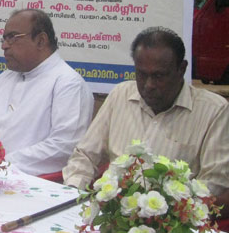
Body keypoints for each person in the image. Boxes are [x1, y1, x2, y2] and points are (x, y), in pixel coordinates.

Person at [62, 27, 229, 215]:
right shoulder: (121, 94)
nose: (149, 85)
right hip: (112, 213)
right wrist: (73, 192)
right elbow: (85, 155)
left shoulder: (214, 110)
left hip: (169, 220)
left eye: (158, 76)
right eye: (141, 75)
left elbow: (212, 185)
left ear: (181, 69)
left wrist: (157, 213)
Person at [0, 9, 93, 175]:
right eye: (4, 39)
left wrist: (2, 164)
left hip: (33, 181)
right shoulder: (3, 79)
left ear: (40, 41)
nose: (4, 45)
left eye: (12, 38)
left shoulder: (68, 84)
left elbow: (64, 146)